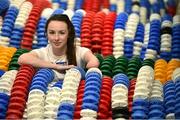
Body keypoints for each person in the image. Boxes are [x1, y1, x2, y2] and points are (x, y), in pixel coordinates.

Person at [18, 14, 99, 79]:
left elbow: (94, 61)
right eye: (52, 33)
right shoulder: (42, 53)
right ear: (46, 34)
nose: (56, 38)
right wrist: (56, 67)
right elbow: (22, 59)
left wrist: (86, 70)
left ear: (68, 34)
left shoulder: (80, 52)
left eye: (62, 33)